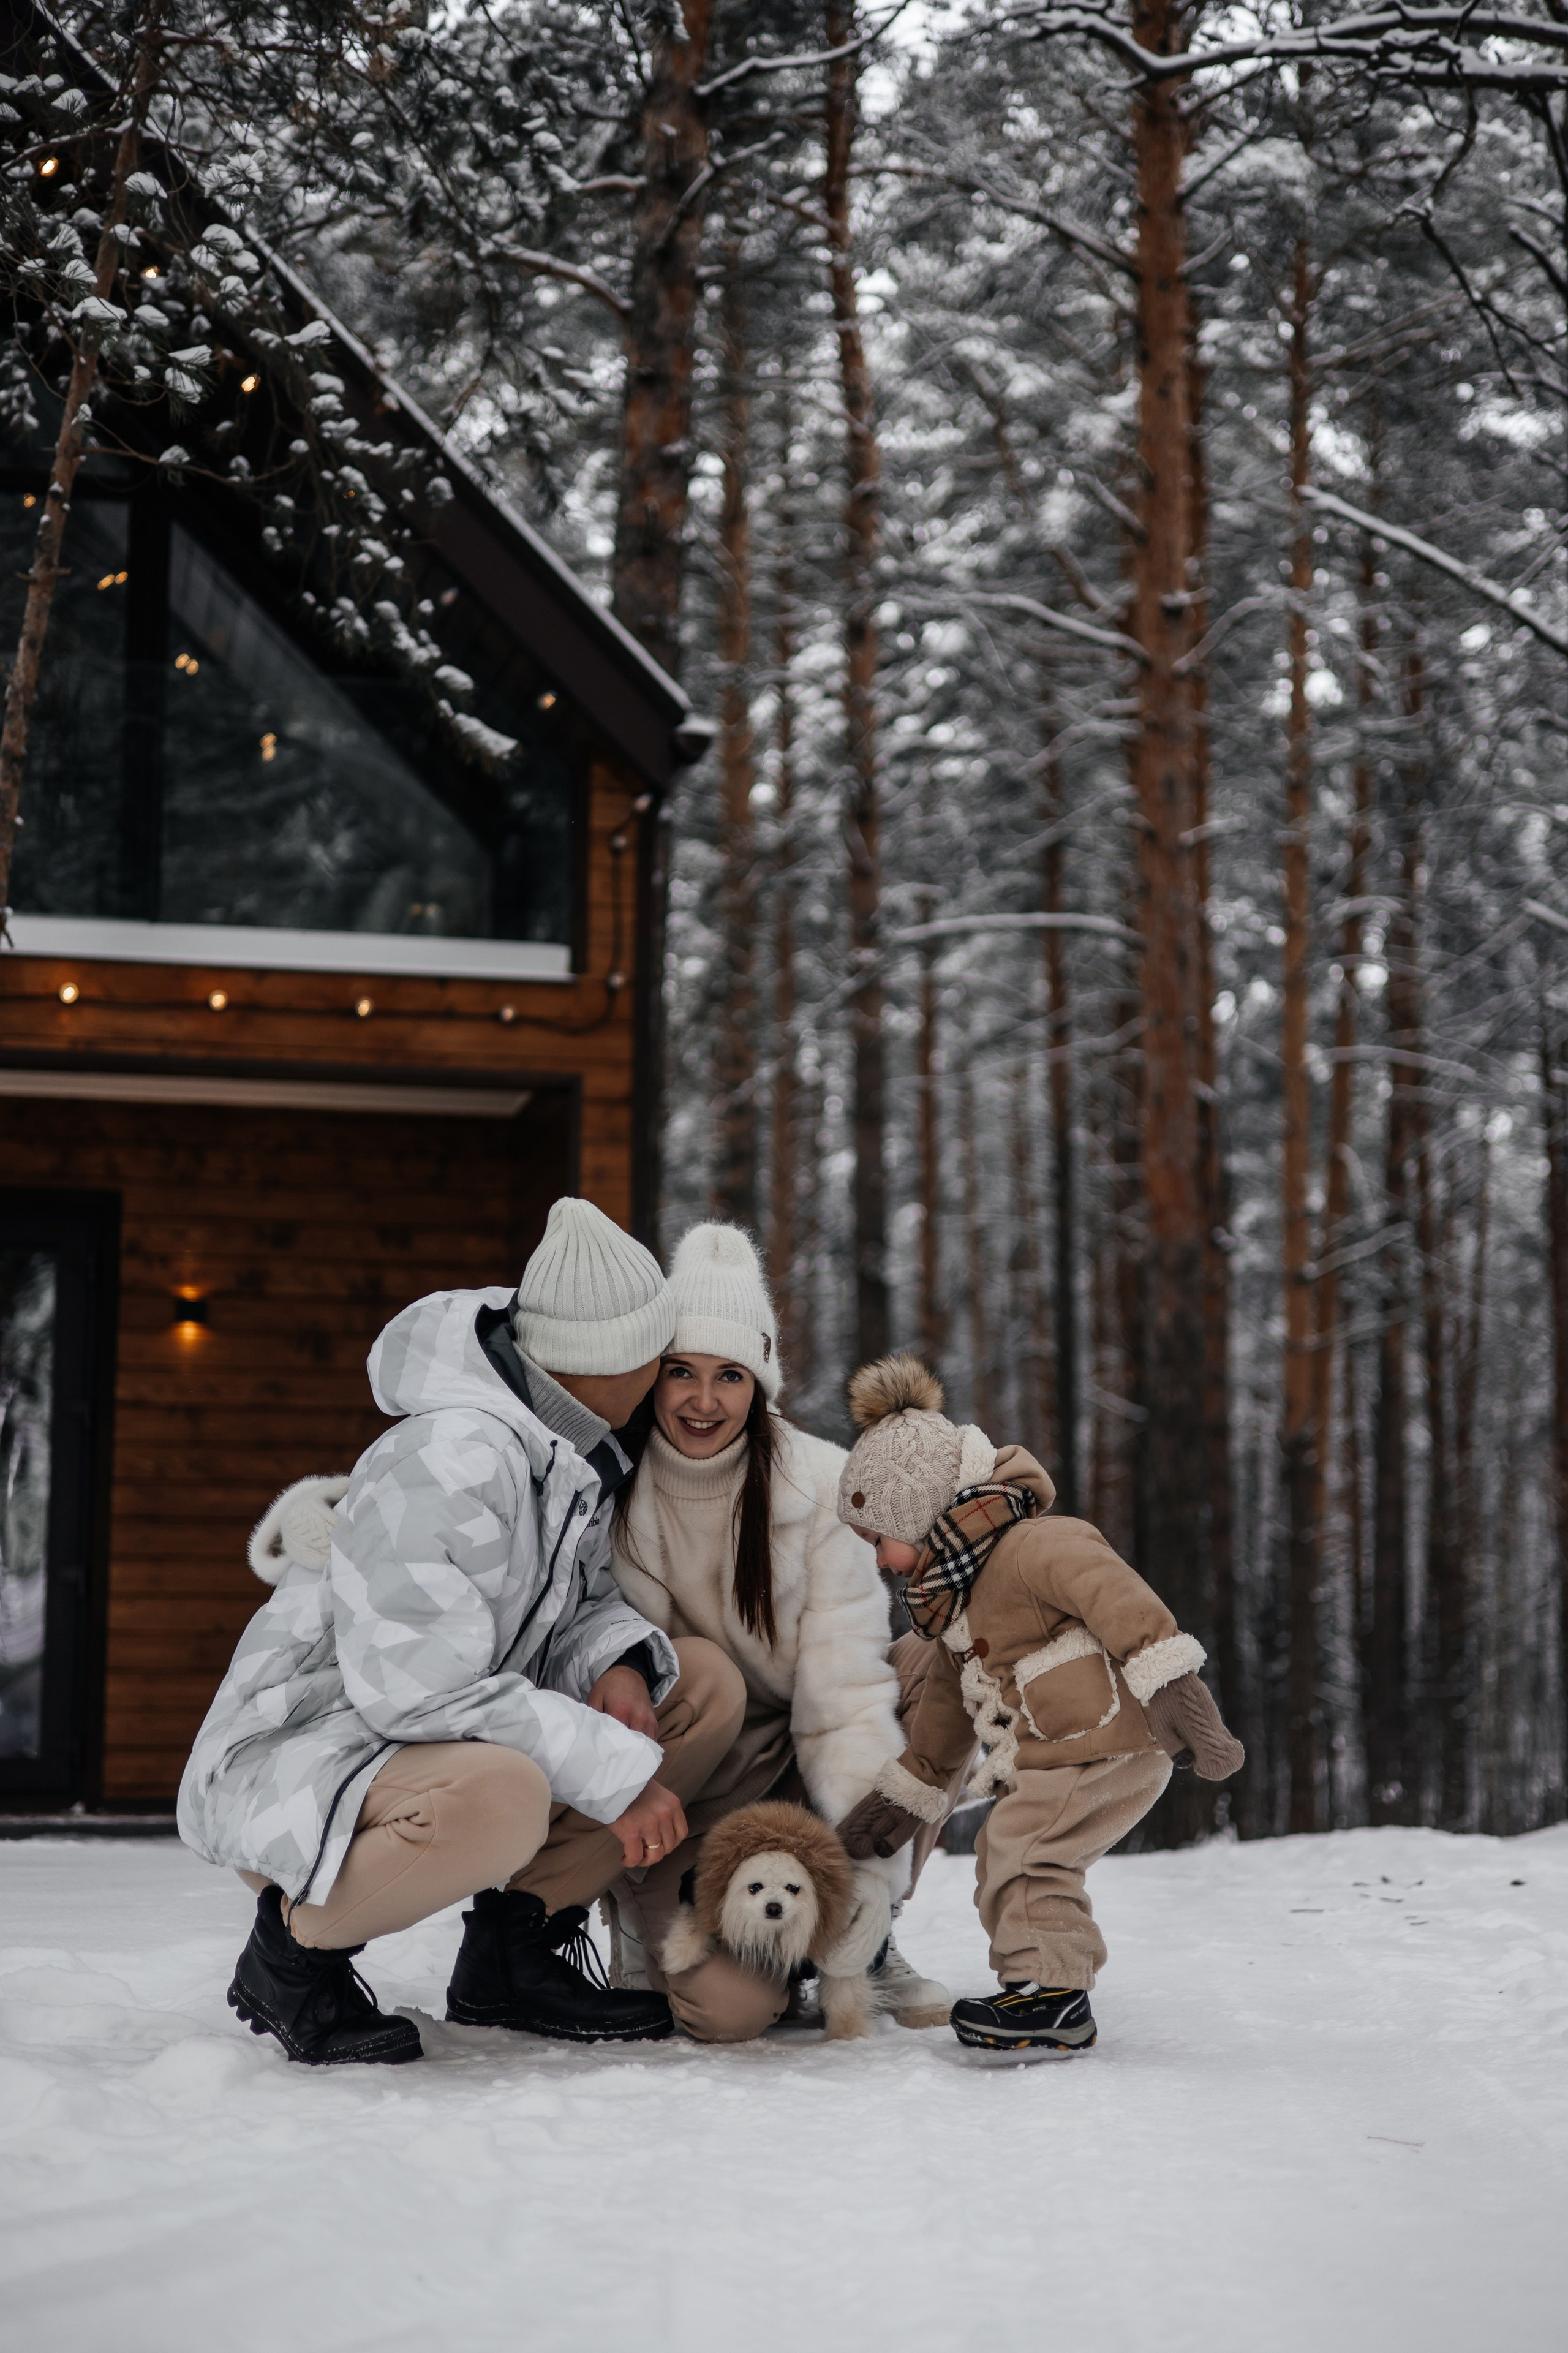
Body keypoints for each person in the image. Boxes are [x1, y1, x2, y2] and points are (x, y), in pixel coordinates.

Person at [178, 1197, 750, 2067]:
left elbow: (579, 1601)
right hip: (307, 1761)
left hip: (414, 1742)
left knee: (697, 1685)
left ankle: (512, 1954)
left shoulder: (562, 1443)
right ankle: (293, 1955)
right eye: (661, 1352)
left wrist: (620, 1666)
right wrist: (618, 1776)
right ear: (614, 1360)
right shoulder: (449, 1458)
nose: (673, 1374)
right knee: (502, 1794)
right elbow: (419, 1690)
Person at [601, 1223, 955, 2041]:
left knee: (943, 1664)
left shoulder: (822, 1483)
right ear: (652, 1374)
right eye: (681, 1371)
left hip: (801, 1770)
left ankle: (865, 1944)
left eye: (730, 1375)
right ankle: (638, 1919)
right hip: (684, 1792)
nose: (702, 1400)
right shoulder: (612, 1489)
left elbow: (843, 1696)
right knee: (729, 2013)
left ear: (760, 1383)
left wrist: (862, 1873)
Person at [834, 1353, 1245, 2056]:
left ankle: (1056, 1997)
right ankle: (1039, 1986)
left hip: (1105, 1737)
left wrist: (1184, 1701)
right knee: (1017, 1849)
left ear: (917, 1508)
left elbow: (1124, 1604)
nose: (878, 1562)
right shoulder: (954, 1611)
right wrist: (891, 1810)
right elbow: (941, 1725)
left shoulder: (1036, 1545)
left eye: (879, 1540)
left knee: (1023, 1849)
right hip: (1064, 1750)